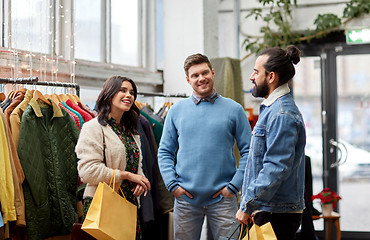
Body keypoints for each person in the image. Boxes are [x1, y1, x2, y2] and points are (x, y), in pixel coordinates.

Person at [158, 53, 252, 239]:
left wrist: (234, 186)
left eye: (205, 73)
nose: (201, 78)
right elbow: (164, 152)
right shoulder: (176, 111)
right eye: (195, 75)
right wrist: (172, 184)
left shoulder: (234, 109)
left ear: (213, 72)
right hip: (185, 199)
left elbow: (250, 152)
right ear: (188, 79)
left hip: (224, 199)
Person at [236, 45, 306, 240]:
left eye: (256, 71)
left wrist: (248, 204)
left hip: (276, 213)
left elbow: (276, 167)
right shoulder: (272, 109)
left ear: (271, 77)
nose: (251, 76)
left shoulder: (282, 114)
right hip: (269, 209)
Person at [75, 76, 151, 240]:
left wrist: (140, 180)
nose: (129, 95)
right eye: (122, 90)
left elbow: (136, 166)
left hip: (128, 204)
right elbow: (87, 172)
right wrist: (126, 176)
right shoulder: (93, 128)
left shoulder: (131, 131)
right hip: (103, 205)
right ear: (109, 94)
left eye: (131, 92)